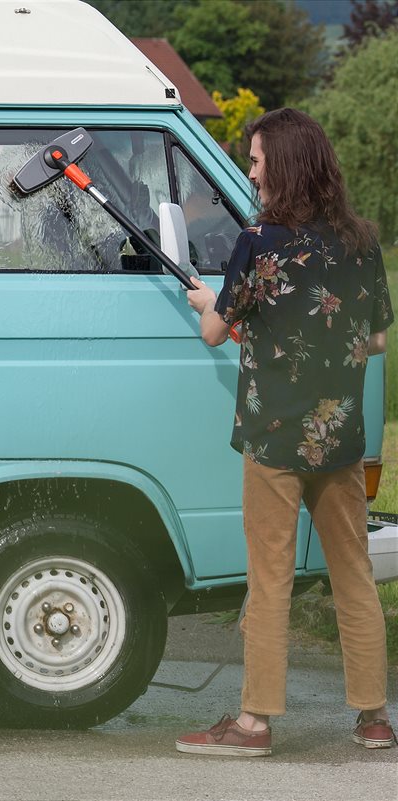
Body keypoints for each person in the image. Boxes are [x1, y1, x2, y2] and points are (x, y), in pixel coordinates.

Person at [178, 108, 393, 756]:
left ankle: (254, 723)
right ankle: (376, 717)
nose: (250, 170)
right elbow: (377, 337)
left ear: (285, 167)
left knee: (269, 577)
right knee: (353, 572)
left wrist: (206, 304)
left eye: (256, 159)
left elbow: (216, 330)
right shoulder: (360, 241)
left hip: (274, 441)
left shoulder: (259, 244)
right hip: (340, 437)